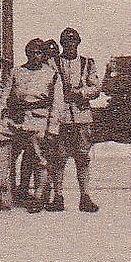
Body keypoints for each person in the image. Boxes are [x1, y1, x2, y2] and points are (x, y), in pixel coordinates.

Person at [0, 37, 58, 210]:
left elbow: (56, 104)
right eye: (31, 52)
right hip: (17, 119)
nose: (35, 56)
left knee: (40, 156)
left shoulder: (51, 74)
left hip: (39, 119)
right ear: (26, 53)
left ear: (43, 55)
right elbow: (5, 97)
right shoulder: (17, 72)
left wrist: (52, 128)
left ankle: (39, 196)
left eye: (39, 53)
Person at [43, 27, 102, 212]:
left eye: (73, 42)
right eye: (66, 42)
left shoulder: (87, 63)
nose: (70, 45)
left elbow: (96, 88)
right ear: (62, 44)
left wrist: (79, 93)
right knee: (58, 158)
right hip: (61, 118)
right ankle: (58, 196)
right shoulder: (53, 63)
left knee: (83, 158)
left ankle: (85, 197)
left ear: (78, 43)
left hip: (82, 116)